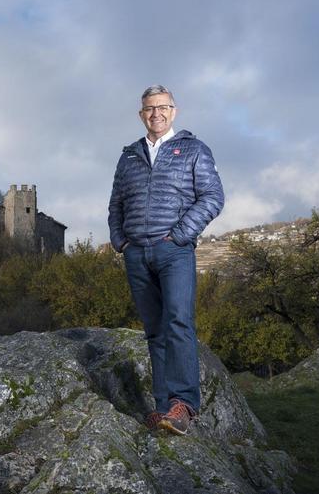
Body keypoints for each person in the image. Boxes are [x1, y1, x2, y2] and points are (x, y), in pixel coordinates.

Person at [108, 85, 224, 435]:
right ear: (141, 114)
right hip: (136, 254)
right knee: (155, 331)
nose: (155, 113)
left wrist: (181, 234)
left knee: (178, 322)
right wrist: (120, 241)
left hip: (174, 251)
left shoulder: (194, 149)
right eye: (148, 108)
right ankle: (163, 409)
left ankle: (184, 405)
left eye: (162, 107)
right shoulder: (128, 155)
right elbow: (116, 204)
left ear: (173, 111)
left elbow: (213, 196)